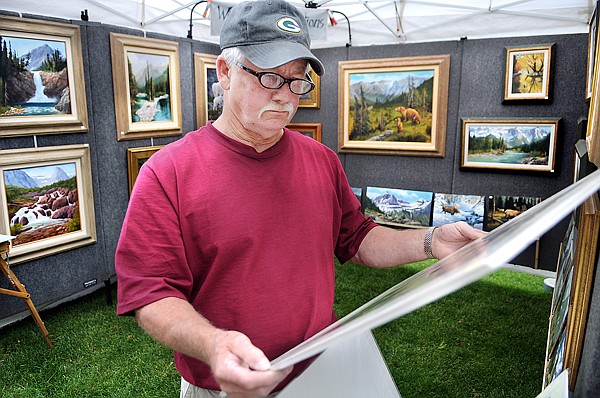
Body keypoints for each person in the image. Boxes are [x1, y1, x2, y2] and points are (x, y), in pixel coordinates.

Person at [115, 1, 485, 397]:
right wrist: (214, 344)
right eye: (270, 78)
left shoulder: (320, 159)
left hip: (327, 364)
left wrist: (429, 241)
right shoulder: (168, 172)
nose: (286, 98)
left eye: (298, 81)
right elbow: (151, 293)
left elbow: (357, 238)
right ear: (224, 72)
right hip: (231, 384)